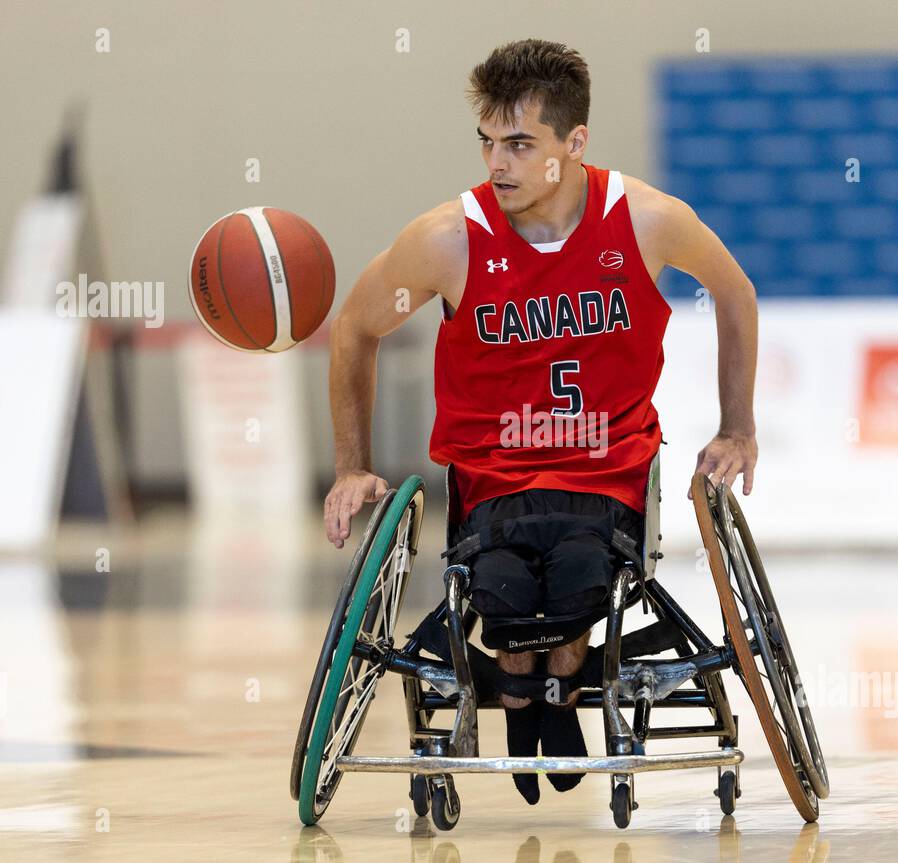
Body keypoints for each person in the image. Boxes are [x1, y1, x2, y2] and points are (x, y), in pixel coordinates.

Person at [322, 39, 758, 805]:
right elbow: (355, 328)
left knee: (583, 580)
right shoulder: (448, 239)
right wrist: (352, 463)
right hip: (492, 478)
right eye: (488, 142)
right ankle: (524, 701)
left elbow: (735, 293)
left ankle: (557, 695)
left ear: (573, 143)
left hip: (609, 470)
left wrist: (738, 428)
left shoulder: (648, 221)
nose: (499, 163)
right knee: (499, 589)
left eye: (520, 144)